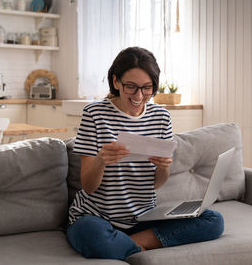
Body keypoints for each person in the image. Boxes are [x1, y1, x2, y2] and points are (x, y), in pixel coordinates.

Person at [67, 46, 224, 260]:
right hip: (96, 217)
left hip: (143, 218)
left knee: (213, 221)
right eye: (131, 87)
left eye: (147, 88)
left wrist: (163, 166)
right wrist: (101, 162)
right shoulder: (94, 114)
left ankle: (130, 245)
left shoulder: (161, 117)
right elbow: (88, 186)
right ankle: (133, 245)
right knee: (93, 237)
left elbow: (158, 183)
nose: (139, 96)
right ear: (116, 82)